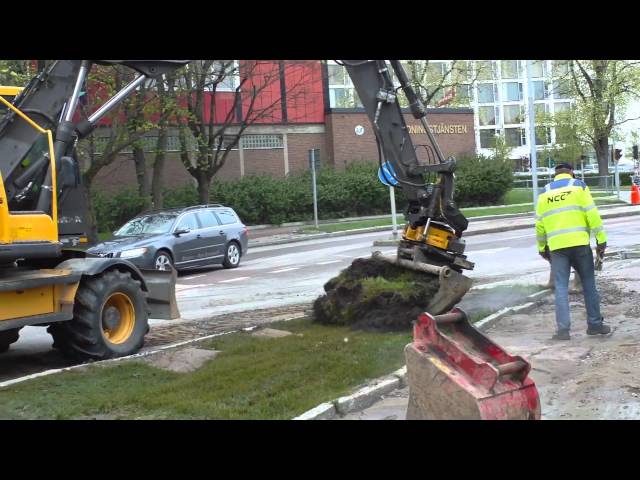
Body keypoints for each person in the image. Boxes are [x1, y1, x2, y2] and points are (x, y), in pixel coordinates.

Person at [535, 162, 610, 340]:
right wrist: (601, 240)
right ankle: (594, 325)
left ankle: (563, 330)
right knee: (588, 284)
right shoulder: (579, 187)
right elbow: (592, 214)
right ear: (571, 173)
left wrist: (542, 248)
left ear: (555, 175)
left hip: (557, 248)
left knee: (561, 287)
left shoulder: (544, 192)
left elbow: (539, 224)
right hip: (580, 245)